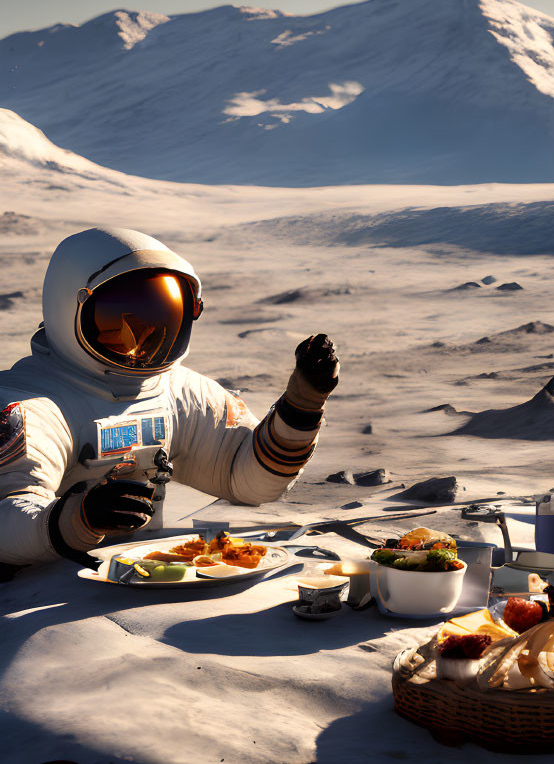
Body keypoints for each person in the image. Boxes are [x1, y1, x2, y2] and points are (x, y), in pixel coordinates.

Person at [0, 227, 339, 575]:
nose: (138, 343)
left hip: (141, 576)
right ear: (67, 307)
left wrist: (301, 406)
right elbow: (6, 518)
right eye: (116, 322)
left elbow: (247, 480)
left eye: (159, 320)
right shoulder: (29, 408)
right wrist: (76, 519)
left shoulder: (180, 393)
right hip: (33, 593)